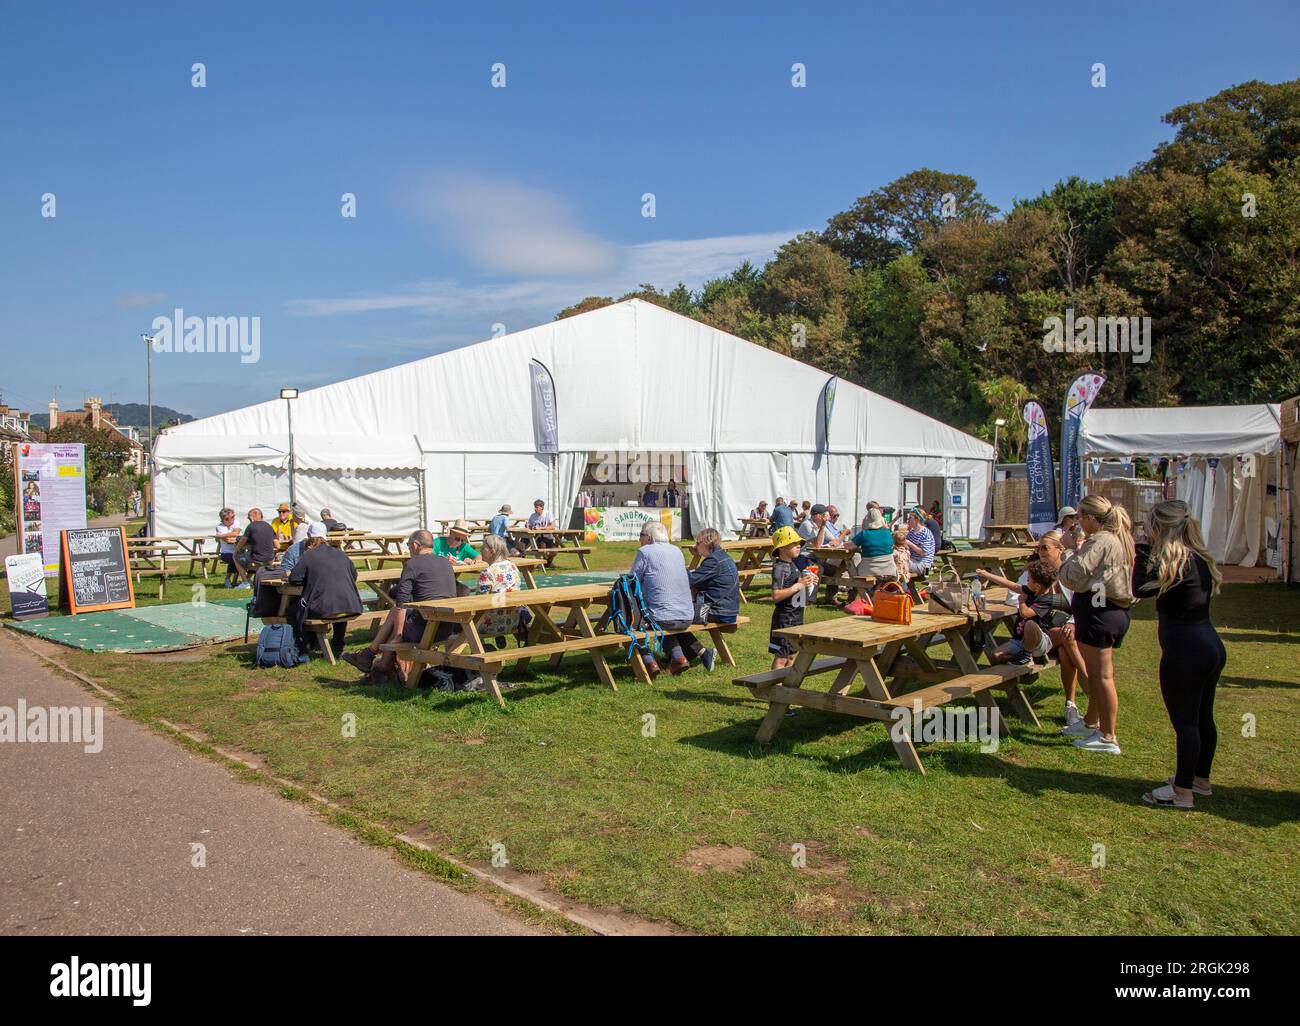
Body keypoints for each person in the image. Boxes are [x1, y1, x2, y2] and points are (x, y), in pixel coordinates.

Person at [1135, 500, 1226, 809]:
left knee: (1185, 722)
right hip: (1209, 645)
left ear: (1159, 528)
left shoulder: (1174, 563)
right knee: (1203, 718)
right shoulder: (1198, 558)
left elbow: (1139, 589)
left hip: (1185, 651)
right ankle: (1199, 779)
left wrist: (1141, 552)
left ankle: (1182, 792)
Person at [1058, 493, 1136, 755]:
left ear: (1091, 518)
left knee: (1102, 676)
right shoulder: (1116, 539)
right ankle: (1092, 722)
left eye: (1080, 516)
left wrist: (1068, 550)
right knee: (1096, 672)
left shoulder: (1100, 541)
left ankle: (1108, 736)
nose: (1077, 522)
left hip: (1099, 613)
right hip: (1104, 610)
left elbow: (1073, 575)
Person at [345, 529, 456, 684]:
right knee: (396, 616)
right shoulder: (445, 562)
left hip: (425, 630)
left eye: (409, 545)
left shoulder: (412, 564)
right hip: (446, 628)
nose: (409, 549)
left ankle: (373, 658)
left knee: (396, 619)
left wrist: (398, 636)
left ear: (416, 545)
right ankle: (375, 661)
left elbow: (401, 604)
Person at [630, 521, 697, 678]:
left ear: (649, 537)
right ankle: (678, 657)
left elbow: (632, 581)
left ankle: (648, 661)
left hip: (662, 617)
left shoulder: (645, 552)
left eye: (641, 535)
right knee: (662, 615)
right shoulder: (677, 551)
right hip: (687, 615)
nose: (639, 539)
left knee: (635, 621)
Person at [287, 522, 363, 657]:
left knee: (293, 610)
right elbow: (354, 575)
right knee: (338, 601)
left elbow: (294, 579)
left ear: (309, 538)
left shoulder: (308, 555)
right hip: (352, 605)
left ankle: (303, 647)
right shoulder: (340, 553)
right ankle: (337, 645)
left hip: (325, 608)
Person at [979, 560, 1072, 666]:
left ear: (1037, 586)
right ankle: (1028, 657)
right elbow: (1010, 584)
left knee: (1030, 624)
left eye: (1029, 579)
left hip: (1037, 642)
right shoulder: (1029, 590)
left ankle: (1027, 655)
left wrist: (1022, 601)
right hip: (1019, 641)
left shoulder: (1046, 600)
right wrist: (986, 574)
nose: (1026, 581)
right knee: (995, 656)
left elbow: (1025, 613)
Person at [681, 527, 740, 672]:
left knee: (674, 618)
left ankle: (694, 651)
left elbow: (691, 580)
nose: (695, 546)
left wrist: (678, 569)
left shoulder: (713, 560)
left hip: (719, 610)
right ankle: (682, 653)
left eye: (697, 542)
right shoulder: (722, 556)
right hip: (729, 608)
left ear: (705, 542)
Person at [768, 526, 813, 671]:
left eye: (799, 543)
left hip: (796, 617)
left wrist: (808, 581)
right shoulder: (780, 567)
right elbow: (776, 595)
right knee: (782, 657)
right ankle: (775, 688)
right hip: (785, 619)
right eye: (793, 543)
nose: (798, 546)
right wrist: (798, 585)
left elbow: (796, 586)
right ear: (782, 548)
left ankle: (787, 687)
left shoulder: (791, 564)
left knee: (792, 655)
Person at [475, 534, 529, 652]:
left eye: (483, 547)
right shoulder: (513, 566)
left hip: (490, 624)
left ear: (492, 551)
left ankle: (482, 649)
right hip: (514, 620)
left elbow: (478, 600)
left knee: (466, 623)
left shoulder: (488, 572)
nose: (480, 550)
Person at [845, 506, 896, 580]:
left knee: (851, 568)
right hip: (889, 570)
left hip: (869, 571)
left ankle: (854, 589)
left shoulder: (864, 534)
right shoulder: (887, 533)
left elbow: (848, 546)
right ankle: (870, 591)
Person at [232, 507, 277, 588]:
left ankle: (245, 583)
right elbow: (277, 545)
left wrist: (236, 550)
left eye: (249, 517)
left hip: (258, 559)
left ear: (255, 515)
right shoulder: (269, 526)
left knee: (235, 556)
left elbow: (242, 541)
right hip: (270, 559)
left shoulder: (251, 526)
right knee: (251, 554)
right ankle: (249, 579)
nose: (249, 519)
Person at [903, 509, 936, 576]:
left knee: (899, 563)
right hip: (913, 561)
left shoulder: (925, 533)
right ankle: (904, 586)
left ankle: (902, 586)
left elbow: (923, 553)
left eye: (910, 518)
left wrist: (909, 543)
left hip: (924, 565)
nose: (908, 520)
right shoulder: (911, 533)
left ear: (917, 520)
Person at [214, 507, 242, 587]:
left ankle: (243, 579)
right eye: (228, 518)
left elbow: (236, 533)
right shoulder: (220, 527)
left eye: (233, 517)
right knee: (234, 558)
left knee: (246, 557)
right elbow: (228, 540)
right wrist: (231, 535)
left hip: (238, 551)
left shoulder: (236, 522)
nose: (231, 519)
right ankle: (227, 579)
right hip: (226, 552)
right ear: (223, 519)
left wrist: (221, 535)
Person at [527, 499, 558, 566]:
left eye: (537, 507)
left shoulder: (548, 513)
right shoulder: (533, 516)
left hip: (549, 536)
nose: (535, 509)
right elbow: (529, 526)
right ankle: (544, 563)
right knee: (542, 545)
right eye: (535, 507)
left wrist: (541, 528)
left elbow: (553, 526)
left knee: (555, 551)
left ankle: (547, 562)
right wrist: (528, 526)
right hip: (537, 537)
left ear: (542, 507)